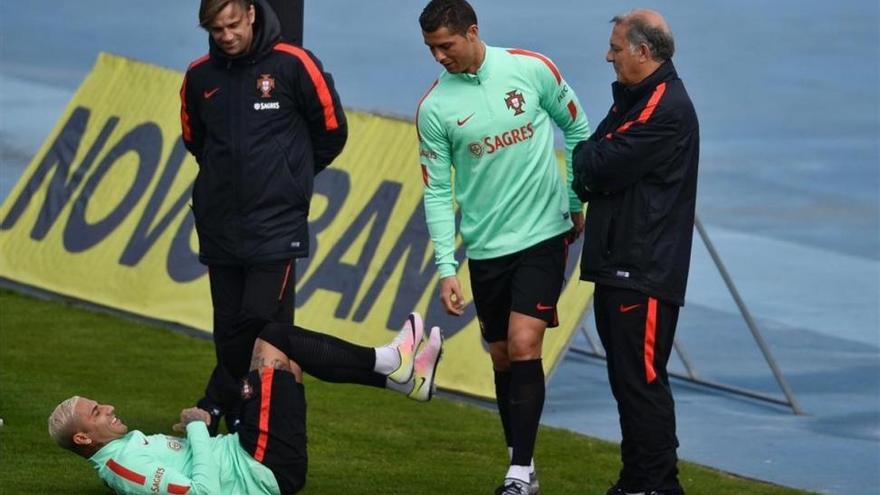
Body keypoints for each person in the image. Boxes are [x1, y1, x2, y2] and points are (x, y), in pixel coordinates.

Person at [416, 1, 591, 493]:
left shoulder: (531, 69)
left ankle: (516, 471)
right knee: (500, 357)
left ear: (472, 33)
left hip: (543, 233)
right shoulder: (434, 108)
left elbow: (577, 128)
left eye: (446, 46)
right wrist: (447, 268)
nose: (439, 57)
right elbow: (436, 189)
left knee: (523, 342)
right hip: (487, 248)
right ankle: (524, 467)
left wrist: (575, 197)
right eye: (431, 49)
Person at [179, 0, 347, 434]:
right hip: (219, 224)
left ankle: (214, 403)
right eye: (216, 30)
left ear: (251, 14)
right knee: (226, 326)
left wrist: (290, 177)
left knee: (255, 320)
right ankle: (239, 420)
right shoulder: (199, 77)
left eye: (232, 25)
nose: (226, 36)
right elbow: (195, 140)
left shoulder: (294, 64)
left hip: (276, 224)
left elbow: (332, 130)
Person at [48, 314, 443, 495]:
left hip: (250, 453)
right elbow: (201, 492)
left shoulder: (124, 451)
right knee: (273, 338)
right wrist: (200, 424)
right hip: (260, 465)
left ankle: (405, 379)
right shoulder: (122, 467)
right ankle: (390, 364)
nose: (109, 408)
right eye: (97, 411)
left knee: (287, 359)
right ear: (84, 437)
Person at [571, 10, 699, 495]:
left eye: (615, 47)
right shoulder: (637, 98)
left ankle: (656, 485)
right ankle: (638, 480)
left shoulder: (665, 106)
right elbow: (594, 153)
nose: (608, 55)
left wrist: (589, 159)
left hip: (642, 269)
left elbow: (596, 163)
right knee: (629, 382)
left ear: (644, 52)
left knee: (641, 382)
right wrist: (591, 157)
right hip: (622, 265)